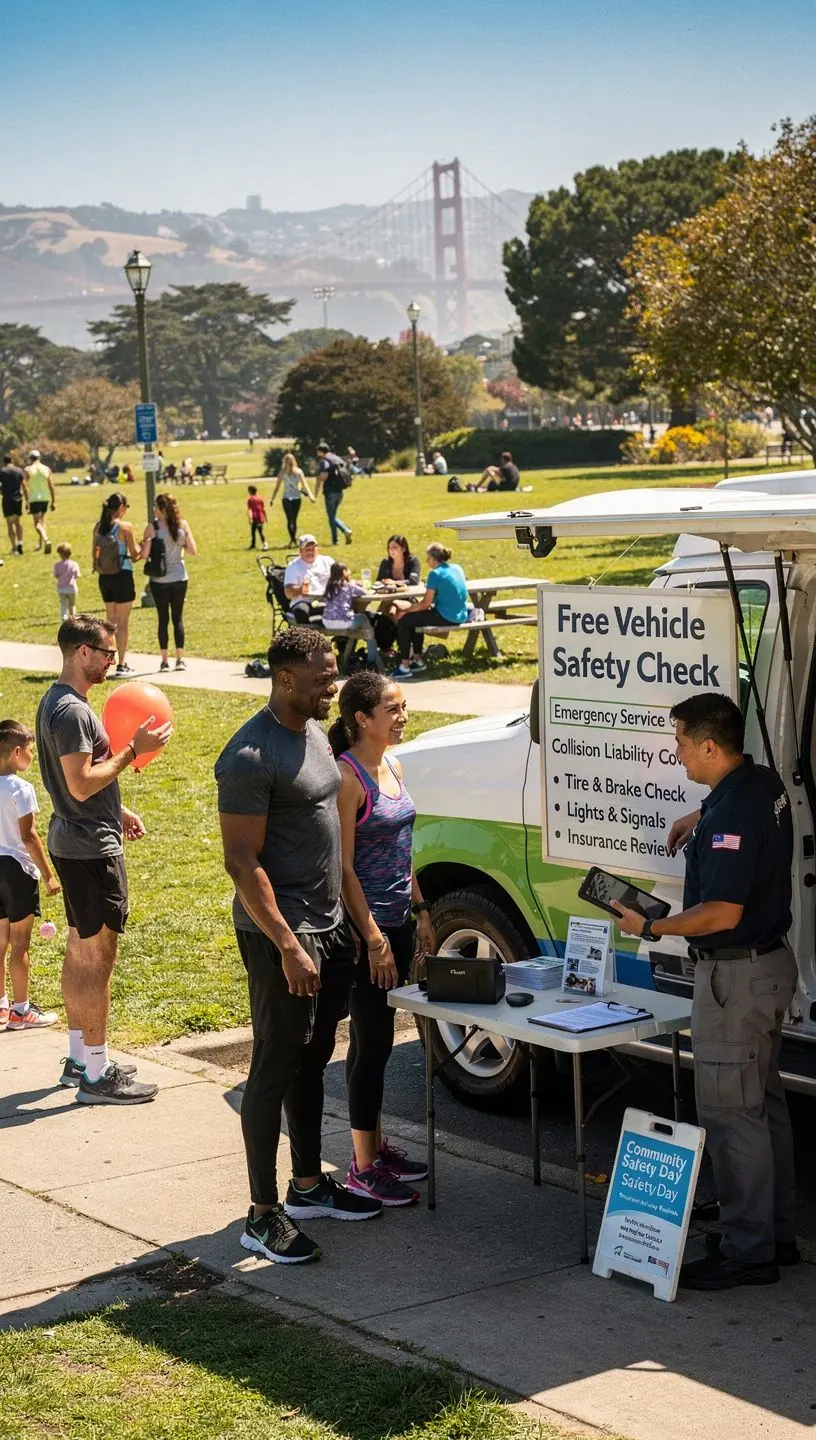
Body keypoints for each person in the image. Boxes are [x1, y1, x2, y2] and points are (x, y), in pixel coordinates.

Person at [612, 692, 798, 1292]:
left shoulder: (736, 815)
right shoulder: (757, 782)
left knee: (730, 1116)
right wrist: (702, 815)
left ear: (710, 746)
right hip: (769, 968)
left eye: (681, 741)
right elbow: (737, 811)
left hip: (735, 978)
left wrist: (651, 926)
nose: (677, 751)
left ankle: (748, 1253)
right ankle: (773, 1232)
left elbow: (720, 912)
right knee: (764, 1108)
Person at [216, 626, 382, 1267]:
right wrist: (288, 943)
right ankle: (261, 1216)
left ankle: (308, 1184)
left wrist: (346, 925)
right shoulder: (251, 756)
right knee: (273, 1065)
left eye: (334, 672)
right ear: (284, 677)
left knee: (314, 1058)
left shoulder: (313, 732)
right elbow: (242, 861)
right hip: (281, 935)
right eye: (321, 676)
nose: (332, 686)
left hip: (329, 925)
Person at [35, 613, 171, 1102]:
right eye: (108, 653)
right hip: (90, 850)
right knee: (97, 960)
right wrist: (135, 748)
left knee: (79, 949)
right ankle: (96, 1074)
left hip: (76, 838)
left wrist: (119, 806)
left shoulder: (56, 700)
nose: (114, 660)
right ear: (83, 653)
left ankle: (79, 1059)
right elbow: (81, 781)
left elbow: (79, 782)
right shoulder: (72, 710)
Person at [329, 673, 434, 1205]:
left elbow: (404, 846)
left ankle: (373, 1145)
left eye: (404, 705)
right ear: (361, 719)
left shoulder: (394, 763)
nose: (402, 715)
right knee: (370, 1043)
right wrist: (372, 937)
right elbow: (343, 868)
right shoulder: (348, 777)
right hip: (365, 929)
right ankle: (362, 1167)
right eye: (391, 708)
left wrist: (421, 908)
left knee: (384, 1040)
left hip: (399, 920)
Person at [0, 719, 60, 1033]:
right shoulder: (21, 789)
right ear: (17, 752)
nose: (32, 758)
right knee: (20, 944)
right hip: (16, 871)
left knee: (0, 942)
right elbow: (29, 836)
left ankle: (0, 1007)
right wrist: (49, 876)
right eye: (31, 752)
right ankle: (21, 1011)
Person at [391, 543, 468, 679]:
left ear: (433, 559)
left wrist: (407, 610)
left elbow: (424, 605)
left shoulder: (435, 573)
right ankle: (417, 660)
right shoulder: (457, 568)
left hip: (446, 616)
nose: (427, 561)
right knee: (415, 620)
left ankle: (404, 666)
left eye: (427, 558)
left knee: (404, 621)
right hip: (461, 614)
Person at [140, 493, 197, 672]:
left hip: (159, 580)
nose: (154, 511)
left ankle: (164, 661)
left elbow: (144, 555)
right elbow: (192, 551)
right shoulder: (182, 525)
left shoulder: (152, 527)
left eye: (156, 507)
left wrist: (145, 542)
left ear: (162, 509)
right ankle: (180, 658)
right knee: (178, 618)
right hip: (180, 577)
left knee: (163, 619)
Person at [92, 493, 141, 677]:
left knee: (109, 622)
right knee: (122, 622)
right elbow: (135, 555)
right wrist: (145, 546)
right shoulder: (124, 527)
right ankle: (121, 664)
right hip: (122, 576)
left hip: (104, 578)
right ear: (121, 508)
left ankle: (105, 664)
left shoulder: (98, 527)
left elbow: (94, 555)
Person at [322, 562, 380, 668]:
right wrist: (356, 583)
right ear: (344, 572)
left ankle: (353, 651)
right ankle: (371, 659)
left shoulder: (329, 586)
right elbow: (364, 592)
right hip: (344, 622)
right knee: (363, 618)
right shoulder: (348, 586)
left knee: (360, 619)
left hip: (327, 622)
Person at [373, 535, 421, 655]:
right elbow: (379, 581)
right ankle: (399, 645)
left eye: (395, 547)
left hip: (408, 598)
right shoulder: (385, 563)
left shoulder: (412, 561)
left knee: (394, 612)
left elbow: (413, 581)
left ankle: (404, 644)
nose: (391, 550)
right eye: (389, 547)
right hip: (389, 598)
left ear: (403, 549)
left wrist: (395, 583)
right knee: (387, 614)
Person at [283, 534, 333, 625]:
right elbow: (288, 593)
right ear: (300, 551)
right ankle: (308, 637)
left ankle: (342, 638)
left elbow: (342, 578)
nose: (310, 552)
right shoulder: (293, 566)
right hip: (303, 601)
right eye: (307, 549)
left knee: (347, 608)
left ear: (317, 548)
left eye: (312, 548)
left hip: (327, 600)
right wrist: (300, 590)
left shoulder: (328, 561)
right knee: (301, 611)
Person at [270, 453, 316, 547]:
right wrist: (311, 496)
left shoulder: (283, 473)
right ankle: (293, 538)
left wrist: (272, 498)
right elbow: (305, 485)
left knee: (290, 519)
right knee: (293, 519)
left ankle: (292, 539)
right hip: (296, 498)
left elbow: (277, 487)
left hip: (287, 498)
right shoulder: (298, 471)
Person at [315, 443, 352, 547]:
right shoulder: (337, 458)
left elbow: (323, 476)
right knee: (333, 516)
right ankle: (336, 538)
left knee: (331, 517)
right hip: (340, 491)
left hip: (330, 492)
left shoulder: (324, 461)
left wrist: (316, 490)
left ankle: (342, 533)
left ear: (321, 451)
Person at [24, 450, 56, 553]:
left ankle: (46, 540)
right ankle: (41, 544)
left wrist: (27, 502)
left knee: (37, 524)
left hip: (34, 499)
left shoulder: (28, 469)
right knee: (42, 521)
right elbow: (51, 486)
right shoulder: (47, 469)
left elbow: (25, 486)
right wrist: (53, 501)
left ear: (30, 458)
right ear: (39, 458)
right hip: (45, 498)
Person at [1, 454, 25, 555]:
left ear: (4, 462)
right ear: (12, 461)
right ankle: (20, 542)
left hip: (7, 499)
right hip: (17, 498)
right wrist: (27, 499)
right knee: (17, 522)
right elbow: (24, 485)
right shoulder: (19, 470)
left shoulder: (2, 471)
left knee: (9, 524)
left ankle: (14, 547)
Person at [53, 543, 80, 621]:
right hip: (72, 588)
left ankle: (64, 618)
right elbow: (77, 575)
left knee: (64, 605)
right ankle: (73, 620)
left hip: (61, 588)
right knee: (72, 605)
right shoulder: (74, 564)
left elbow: (56, 575)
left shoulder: (57, 565)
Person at [247, 486, 268, 551]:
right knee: (260, 531)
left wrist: (250, 518)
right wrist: (265, 517)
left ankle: (264, 544)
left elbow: (250, 509)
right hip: (260, 518)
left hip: (254, 518)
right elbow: (263, 509)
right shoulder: (260, 499)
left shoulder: (250, 499)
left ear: (250, 491)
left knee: (253, 532)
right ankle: (255, 544)